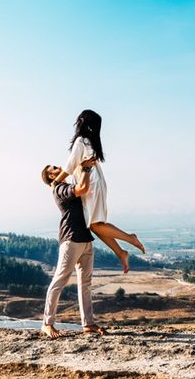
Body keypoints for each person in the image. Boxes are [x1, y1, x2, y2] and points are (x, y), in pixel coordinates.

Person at [51, 109, 144, 273]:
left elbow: (70, 166)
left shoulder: (81, 141)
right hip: (96, 183)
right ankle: (121, 252)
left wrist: (56, 182)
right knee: (96, 225)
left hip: (92, 185)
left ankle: (130, 239)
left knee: (96, 225)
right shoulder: (90, 142)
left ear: (81, 122)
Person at [40, 158, 106, 338]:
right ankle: (47, 323)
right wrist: (84, 167)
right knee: (59, 281)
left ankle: (88, 324)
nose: (56, 166)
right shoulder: (59, 188)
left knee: (85, 284)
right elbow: (83, 189)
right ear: (51, 176)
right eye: (52, 167)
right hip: (71, 240)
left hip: (85, 239)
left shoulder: (67, 185)